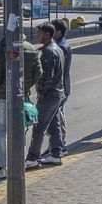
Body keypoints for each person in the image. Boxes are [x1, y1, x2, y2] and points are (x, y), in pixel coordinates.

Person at [0, 33, 41, 178]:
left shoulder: (0, 49)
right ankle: (19, 163)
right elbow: (38, 72)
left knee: (1, 131)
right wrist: (24, 87)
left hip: (4, 97)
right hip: (21, 96)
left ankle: (3, 166)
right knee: (20, 130)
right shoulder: (31, 48)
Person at [25, 23, 65, 167]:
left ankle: (32, 158)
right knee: (53, 126)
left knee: (39, 127)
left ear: (47, 34)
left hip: (49, 95)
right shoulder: (58, 49)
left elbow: (47, 76)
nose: (38, 36)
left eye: (40, 33)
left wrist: (41, 92)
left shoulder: (48, 51)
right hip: (57, 93)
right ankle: (56, 154)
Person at [51, 19, 73, 151]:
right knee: (59, 114)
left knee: (57, 116)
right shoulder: (63, 44)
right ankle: (58, 144)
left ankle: (60, 145)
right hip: (64, 85)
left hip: (60, 86)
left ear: (58, 32)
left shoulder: (60, 47)